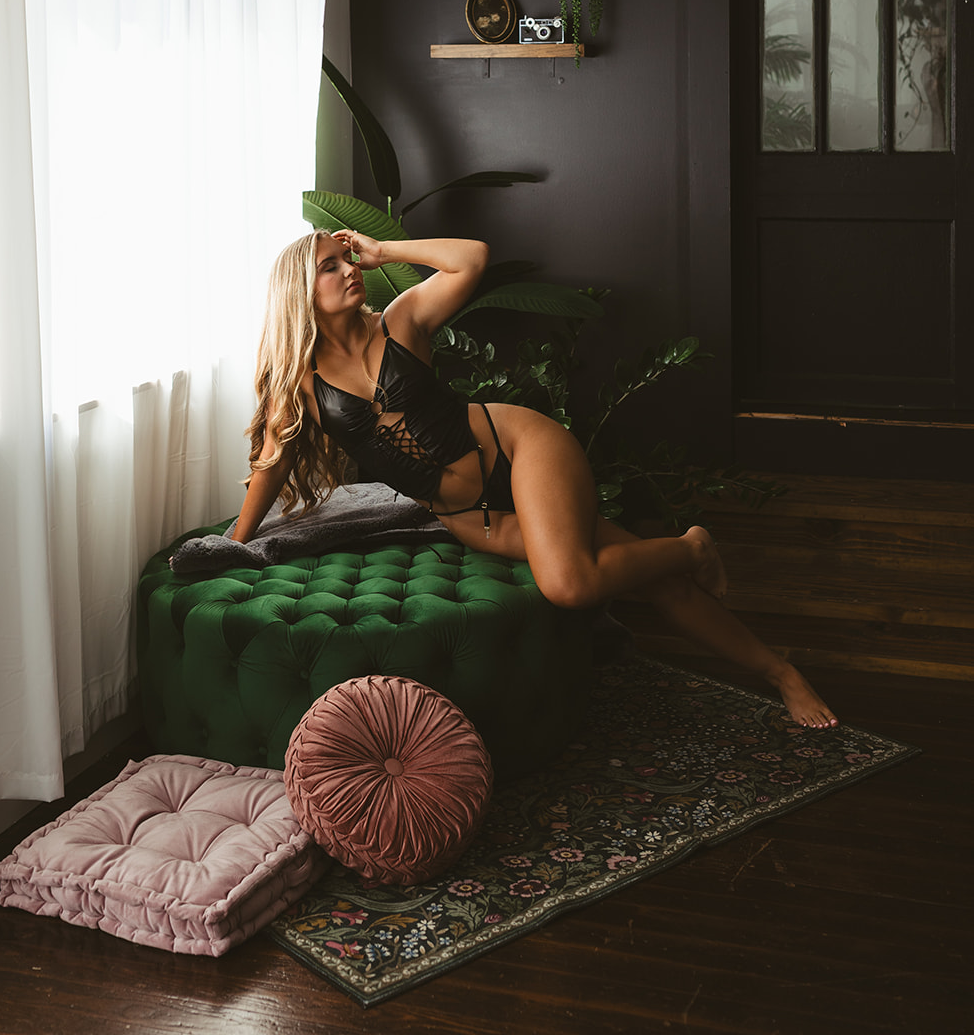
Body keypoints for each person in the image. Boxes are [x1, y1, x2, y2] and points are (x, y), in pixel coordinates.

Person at [233, 229, 838, 728]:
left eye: (347, 259)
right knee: (653, 579)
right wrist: (234, 542)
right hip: (472, 517)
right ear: (299, 292)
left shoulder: (401, 320)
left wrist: (384, 250)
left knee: (570, 584)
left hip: (517, 449)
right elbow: (271, 462)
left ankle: (693, 549)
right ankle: (775, 665)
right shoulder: (304, 383)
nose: (347, 270)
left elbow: (471, 258)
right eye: (329, 267)